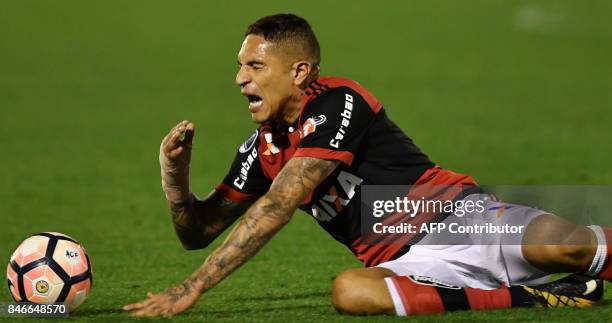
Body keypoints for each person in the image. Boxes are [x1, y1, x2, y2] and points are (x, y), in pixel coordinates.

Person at [123, 14, 611, 318]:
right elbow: (197, 232)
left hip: (464, 219)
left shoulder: (340, 103)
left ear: (299, 71)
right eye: (240, 66)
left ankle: (565, 273)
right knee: (350, 292)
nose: (239, 79)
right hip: (410, 266)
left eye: (254, 67)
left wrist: (195, 287)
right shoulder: (260, 149)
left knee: (566, 246)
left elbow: (282, 200)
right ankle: (538, 297)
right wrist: (175, 178)